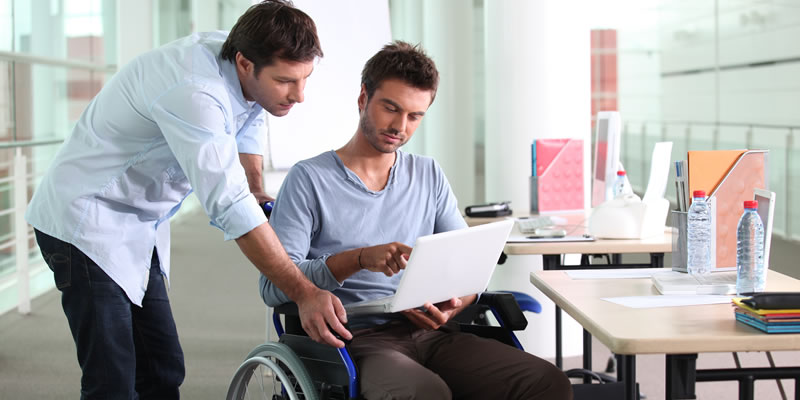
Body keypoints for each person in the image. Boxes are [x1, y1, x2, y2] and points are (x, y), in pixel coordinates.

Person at [25, 1, 351, 398]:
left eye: (304, 79)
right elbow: (230, 204)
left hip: (136, 225)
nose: (299, 95)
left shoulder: (240, 60)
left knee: (162, 368)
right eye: (286, 81)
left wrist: (255, 185)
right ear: (246, 64)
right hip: (84, 223)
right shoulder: (196, 90)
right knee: (111, 377)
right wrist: (303, 291)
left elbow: (250, 119)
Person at [261, 41, 572, 400]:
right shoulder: (308, 179)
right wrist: (359, 258)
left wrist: (454, 303)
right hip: (354, 340)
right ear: (363, 97)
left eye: (415, 116)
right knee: (425, 393)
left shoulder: (428, 174)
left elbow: (465, 273)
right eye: (390, 108)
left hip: (432, 333)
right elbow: (274, 289)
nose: (400, 126)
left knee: (547, 382)